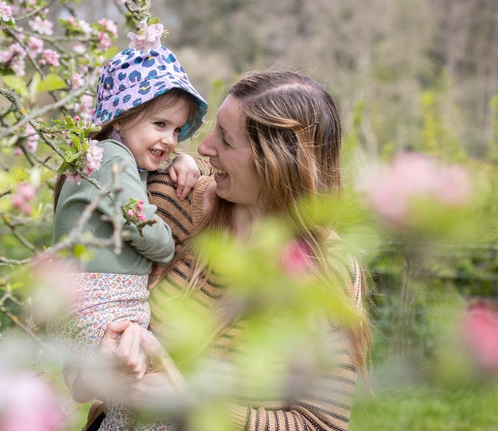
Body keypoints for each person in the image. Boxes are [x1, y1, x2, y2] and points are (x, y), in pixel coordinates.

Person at [74, 70, 372, 431]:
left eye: (226, 141)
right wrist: (95, 360)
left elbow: (320, 425)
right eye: (213, 129)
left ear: (276, 163)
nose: (204, 146)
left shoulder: (326, 272)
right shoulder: (170, 201)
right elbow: (85, 303)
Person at [50, 45, 208, 431]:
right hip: (100, 302)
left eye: (176, 130)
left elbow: (151, 178)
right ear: (120, 118)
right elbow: (144, 228)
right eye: (160, 125)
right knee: (152, 391)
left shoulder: (110, 160)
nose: (170, 139)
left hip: (99, 303)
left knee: (128, 403)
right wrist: (168, 249)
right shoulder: (111, 159)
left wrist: (184, 161)